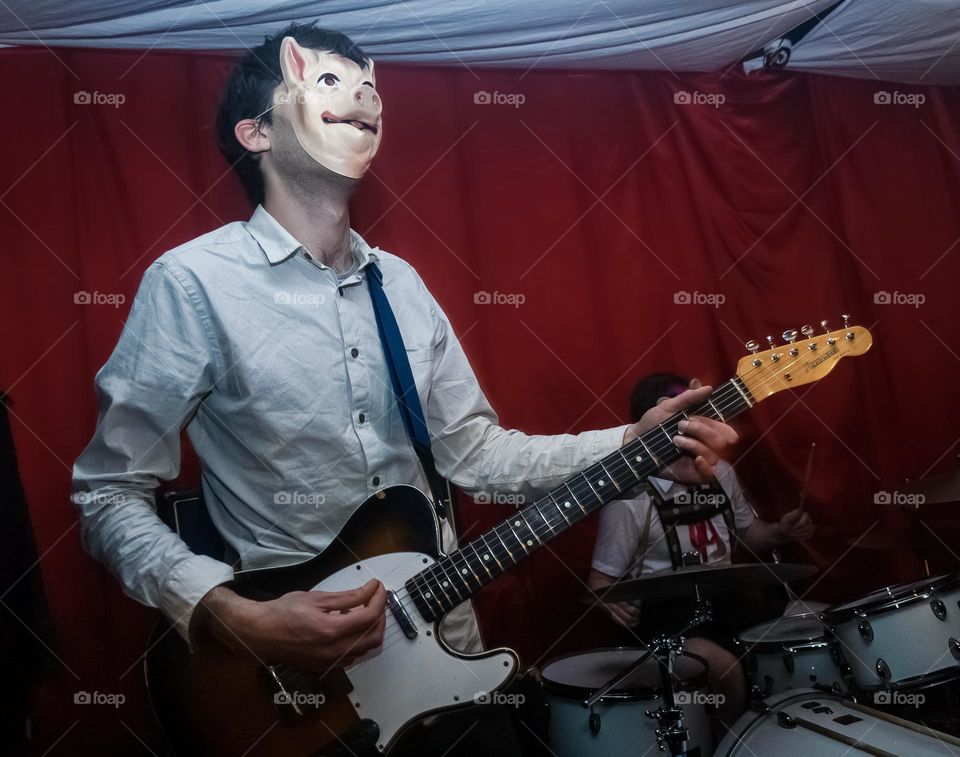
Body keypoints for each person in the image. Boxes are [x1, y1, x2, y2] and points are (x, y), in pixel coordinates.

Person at [71, 24, 738, 755]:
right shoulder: (193, 283)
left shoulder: (403, 288)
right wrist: (234, 615)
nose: (363, 96)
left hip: (447, 655)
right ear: (256, 133)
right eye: (327, 81)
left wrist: (632, 445)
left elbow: (477, 453)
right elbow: (108, 492)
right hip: (293, 687)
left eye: (371, 87)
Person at [588, 372, 814, 729]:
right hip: (671, 619)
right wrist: (613, 602)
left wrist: (779, 531)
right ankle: (732, 745)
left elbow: (748, 535)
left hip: (731, 600)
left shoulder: (720, 472)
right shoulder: (629, 498)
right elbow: (600, 581)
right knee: (717, 664)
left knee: (816, 622)